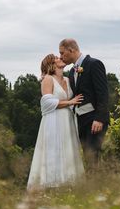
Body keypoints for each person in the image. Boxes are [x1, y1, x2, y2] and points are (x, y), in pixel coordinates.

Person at [27, 54, 85, 190]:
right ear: (51, 64)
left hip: (67, 120)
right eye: (57, 58)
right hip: (53, 120)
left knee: (68, 148)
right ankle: (52, 185)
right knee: (53, 150)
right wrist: (70, 102)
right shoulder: (47, 79)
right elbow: (47, 103)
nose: (61, 58)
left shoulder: (67, 79)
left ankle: (69, 184)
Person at [59, 38, 109, 164]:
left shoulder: (94, 64)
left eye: (62, 53)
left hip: (95, 120)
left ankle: (98, 183)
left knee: (93, 157)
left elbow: (102, 94)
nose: (61, 56)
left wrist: (99, 119)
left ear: (71, 50)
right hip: (81, 121)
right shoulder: (71, 72)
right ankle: (94, 183)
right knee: (88, 158)